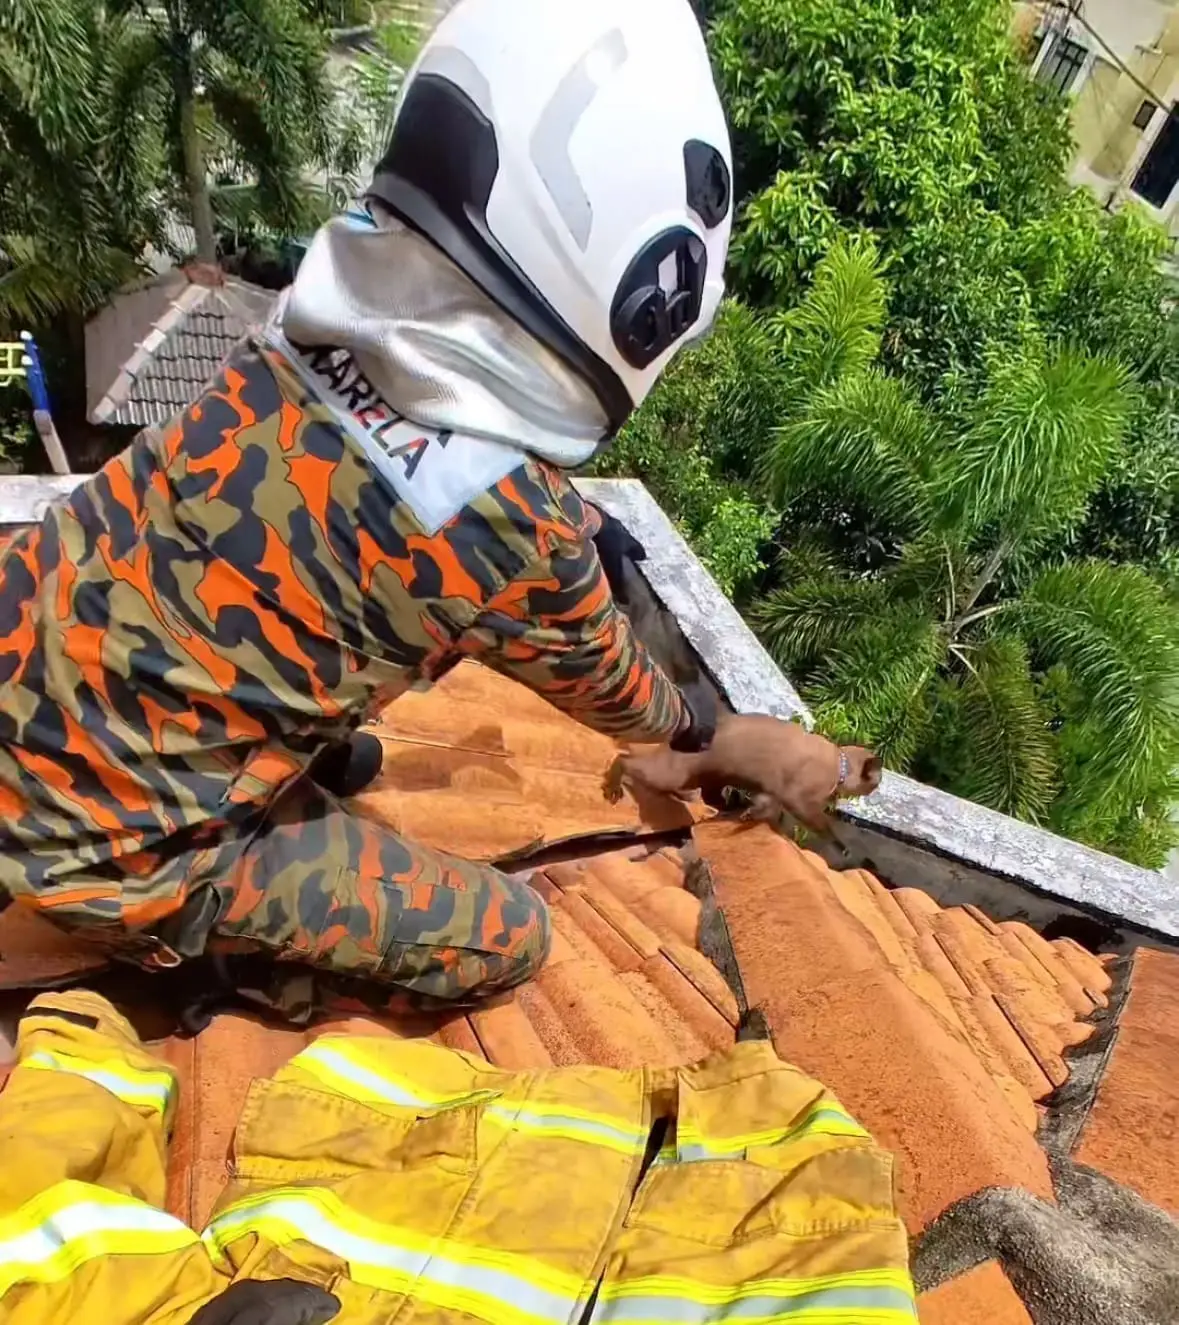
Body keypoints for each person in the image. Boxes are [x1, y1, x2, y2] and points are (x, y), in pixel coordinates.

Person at [0, 0, 733, 1009]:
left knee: (351, 745)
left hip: (24, 650)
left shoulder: (301, 326)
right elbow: (634, 708)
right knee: (506, 938)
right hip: (100, 842)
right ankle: (180, 923)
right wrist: (710, 729)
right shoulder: (518, 526)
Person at [0, 989, 919, 1324]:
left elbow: (37, 1234)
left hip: (394, 1123)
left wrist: (80, 1034)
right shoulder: (790, 1140)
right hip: (740, 1151)